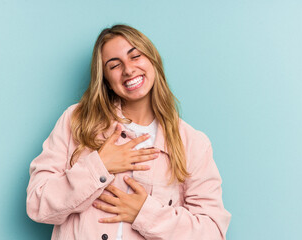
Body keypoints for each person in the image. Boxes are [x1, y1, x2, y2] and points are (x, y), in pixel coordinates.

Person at [26, 24, 231, 240]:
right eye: (114, 65)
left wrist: (145, 213)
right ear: (105, 79)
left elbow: (212, 232)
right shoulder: (76, 121)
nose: (129, 70)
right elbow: (37, 204)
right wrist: (99, 167)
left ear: (153, 60)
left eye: (135, 56)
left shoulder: (192, 143)